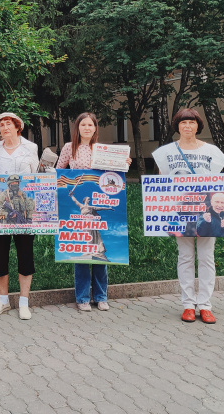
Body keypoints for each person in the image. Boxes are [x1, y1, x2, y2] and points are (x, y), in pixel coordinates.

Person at [152, 108, 224, 324]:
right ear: (177, 126)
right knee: (184, 256)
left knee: (206, 257)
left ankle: (204, 305)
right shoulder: (165, 153)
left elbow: (218, 183)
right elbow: (161, 183)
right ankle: (187, 304)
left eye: (191, 122)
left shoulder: (212, 152)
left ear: (198, 126)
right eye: (183, 122)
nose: (187, 126)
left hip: (206, 212)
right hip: (180, 211)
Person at [56, 112, 131, 312]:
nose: (87, 128)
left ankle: (101, 296)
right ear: (77, 128)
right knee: (81, 254)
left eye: (91, 125)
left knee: (99, 253)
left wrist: (124, 164)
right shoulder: (68, 148)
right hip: (77, 218)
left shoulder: (101, 150)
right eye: (83, 125)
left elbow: (113, 176)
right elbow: (59, 172)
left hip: (99, 214)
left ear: (95, 128)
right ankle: (81, 298)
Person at [0, 112, 39, 321]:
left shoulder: (31, 148)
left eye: (9, 124)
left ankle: (24, 302)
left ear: (18, 127)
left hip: (25, 212)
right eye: (1, 125)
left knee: (25, 253)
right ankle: (4, 300)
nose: (5, 127)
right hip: (1, 213)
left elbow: (37, 174)